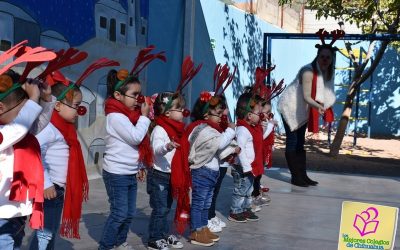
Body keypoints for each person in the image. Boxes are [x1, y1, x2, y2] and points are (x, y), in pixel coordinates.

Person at [278, 29, 341, 187]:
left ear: (332, 59)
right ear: (317, 57)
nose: (325, 59)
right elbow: (307, 97)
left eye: (328, 57)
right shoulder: (308, 71)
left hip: (304, 110)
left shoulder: (326, 73)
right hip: (291, 108)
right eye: (322, 57)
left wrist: (324, 106)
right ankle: (295, 177)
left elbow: (326, 93)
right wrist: (320, 107)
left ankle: (302, 175)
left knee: (300, 142)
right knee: (293, 141)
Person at [0, 73, 54, 250]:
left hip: (16, 214)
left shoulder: (19, 134)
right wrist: (32, 99)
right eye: (23, 110)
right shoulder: (7, 134)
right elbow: (20, 127)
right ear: (1, 108)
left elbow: (37, 124)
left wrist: (45, 100)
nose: (27, 115)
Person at [186, 92, 235, 247]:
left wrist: (232, 150)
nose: (221, 116)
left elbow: (217, 149)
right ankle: (196, 231)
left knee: (206, 204)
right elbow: (219, 144)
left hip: (211, 172)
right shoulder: (203, 129)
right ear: (206, 114)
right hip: (202, 171)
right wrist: (230, 131)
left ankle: (203, 227)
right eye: (218, 113)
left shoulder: (212, 129)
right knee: (199, 203)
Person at [147, 92, 188, 250]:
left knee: (167, 208)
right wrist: (167, 146)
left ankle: (163, 234)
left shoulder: (178, 129)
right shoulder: (160, 129)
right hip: (160, 175)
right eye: (180, 108)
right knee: (160, 208)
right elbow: (156, 149)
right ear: (168, 112)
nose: (183, 111)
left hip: (172, 174)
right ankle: (154, 238)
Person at [228, 93, 263, 223]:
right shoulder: (242, 130)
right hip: (242, 167)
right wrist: (247, 167)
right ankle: (235, 211)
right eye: (258, 114)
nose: (260, 116)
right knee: (241, 190)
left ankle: (246, 208)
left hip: (249, 167)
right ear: (249, 115)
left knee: (249, 190)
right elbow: (240, 150)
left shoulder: (251, 128)